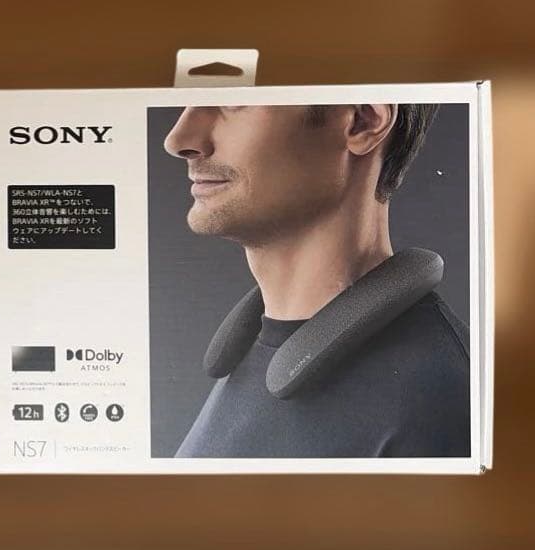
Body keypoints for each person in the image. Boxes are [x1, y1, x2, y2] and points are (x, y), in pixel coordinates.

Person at [165, 104, 470, 457]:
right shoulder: (251, 360)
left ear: (363, 121)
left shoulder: (437, 400)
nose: (178, 140)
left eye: (233, 102)